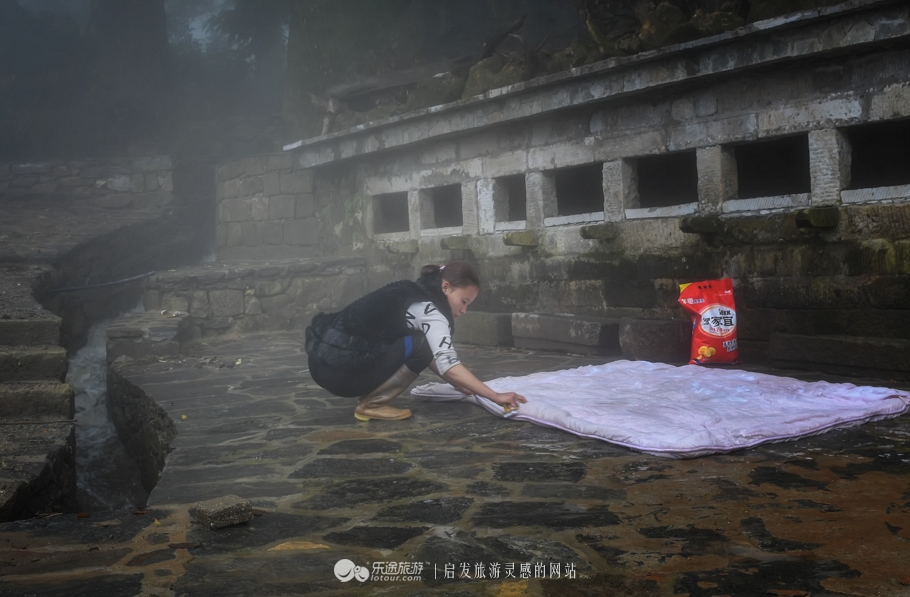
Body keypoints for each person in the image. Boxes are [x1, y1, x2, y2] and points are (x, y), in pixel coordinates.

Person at [305, 261, 527, 421]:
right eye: (463, 301)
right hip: (340, 373)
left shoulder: (411, 292)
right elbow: (445, 362)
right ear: (445, 287)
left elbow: (431, 357)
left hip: (321, 363)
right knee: (420, 341)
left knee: (417, 341)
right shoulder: (430, 311)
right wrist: (494, 396)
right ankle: (371, 404)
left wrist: (458, 384)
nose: (464, 310)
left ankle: (369, 395)